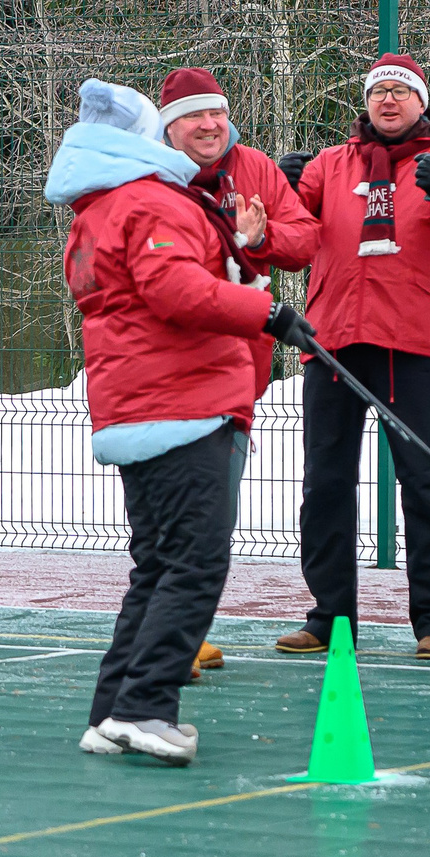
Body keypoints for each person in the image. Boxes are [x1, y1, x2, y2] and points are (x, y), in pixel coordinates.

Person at [46, 79, 311, 765]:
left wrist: (240, 270)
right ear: (147, 137)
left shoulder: (106, 203)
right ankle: (143, 706)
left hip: (145, 402)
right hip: (180, 402)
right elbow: (173, 287)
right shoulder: (147, 198)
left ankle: (113, 708)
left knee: (157, 564)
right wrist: (266, 312)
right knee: (193, 562)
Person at [274, 53, 430, 660]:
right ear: (365, 103)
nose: (388, 101)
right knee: (326, 483)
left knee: (424, 481)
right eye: (378, 93)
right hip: (332, 342)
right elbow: (287, 232)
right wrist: (286, 186)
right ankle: (330, 616)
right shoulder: (330, 166)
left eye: (400, 92)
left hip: (410, 342)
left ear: (422, 103)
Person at [153, 67, 322, 675]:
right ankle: (168, 634)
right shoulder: (151, 178)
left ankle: (185, 630)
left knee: (217, 502)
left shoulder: (254, 169)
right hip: (167, 369)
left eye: (216, 113)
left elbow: (304, 238)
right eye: (194, 116)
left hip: (236, 370)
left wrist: (260, 235)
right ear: (168, 129)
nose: (209, 125)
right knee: (172, 506)